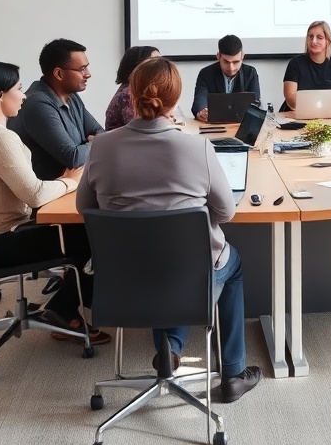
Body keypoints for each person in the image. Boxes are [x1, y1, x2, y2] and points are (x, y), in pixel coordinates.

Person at [78, 57, 262, 402]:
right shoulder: (197, 147)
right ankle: (233, 373)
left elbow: (85, 208)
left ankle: (172, 347)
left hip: (123, 278)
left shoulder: (101, 146)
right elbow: (225, 212)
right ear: (175, 101)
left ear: (130, 95)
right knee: (229, 264)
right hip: (188, 276)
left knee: (160, 259)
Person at [0, 61, 108, 344]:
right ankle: (63, 308)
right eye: (18, 88)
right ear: (1, 95)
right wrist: (72, 181)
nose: (24, 95)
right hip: (6, 241)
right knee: (100, 238)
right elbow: (36, 195)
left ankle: (64, 303)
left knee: (84, 234)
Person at [9, 38, 103, 180]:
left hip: (73, 185)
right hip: (48, 195)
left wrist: (95, 142)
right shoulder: (37, 103)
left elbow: (101, 132)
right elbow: (73, 158)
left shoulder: (71, 96)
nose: (88, 74)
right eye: (82, 69)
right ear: (59, 74)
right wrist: (97, 142)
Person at [282, 20, 331, 111]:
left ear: (328, 40)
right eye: (310, 37)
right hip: (299, 115)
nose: (314, 41)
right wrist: (316, 107)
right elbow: (290, 98)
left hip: (330, 114)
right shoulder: (295, 63)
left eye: (319, 37)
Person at [192, 34, 262, 121]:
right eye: (226, 62)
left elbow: (255, 103)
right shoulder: (206, 73)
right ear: (218, 56)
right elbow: (200, 101)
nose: (231, 68)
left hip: (240, 125)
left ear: (242, 56)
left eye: (236, 62)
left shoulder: (250, 73)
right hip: (214, 126)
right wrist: (202, 112)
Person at [105, 45, 159, 130]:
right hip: (124, 142)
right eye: (155, 63)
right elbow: (140, 130)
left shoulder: (134, 90)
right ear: (138, 67)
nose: (162, 67)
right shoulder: (129, 94)